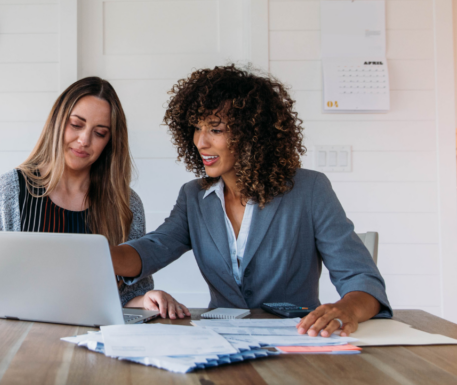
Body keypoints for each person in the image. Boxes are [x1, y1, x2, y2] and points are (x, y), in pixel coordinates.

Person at [108, 65, 391, 336]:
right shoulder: (194, 196)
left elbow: (362, 280)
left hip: (295, 342)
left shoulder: (310, 190)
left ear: (254, 135)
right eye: (196, 128)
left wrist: (344, 309)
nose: (200, 142)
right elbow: (153, 249)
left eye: (215, 130)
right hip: (220, 341)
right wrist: (98, 255)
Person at [0, 76, 188, 318]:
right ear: (57, 123)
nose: (84, 140)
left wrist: (146, 299)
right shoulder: (9, 191)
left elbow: (125, 296)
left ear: (111, 141)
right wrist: (33, 299)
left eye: (100, 132)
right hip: (22, 341)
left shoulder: (126, 203)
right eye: (76, 125)